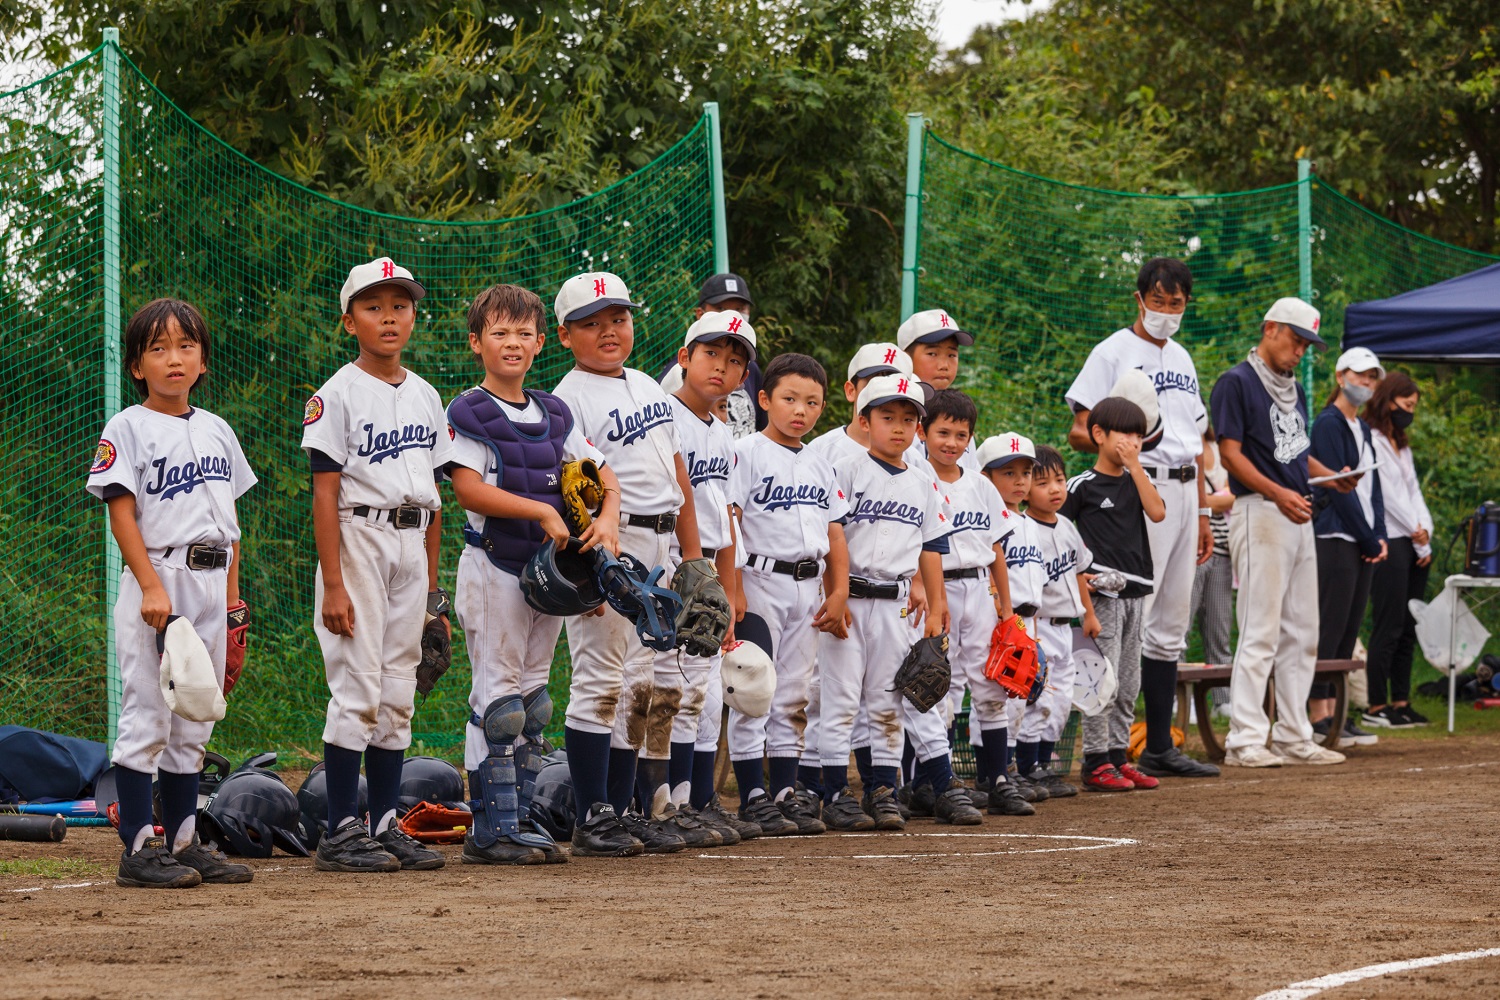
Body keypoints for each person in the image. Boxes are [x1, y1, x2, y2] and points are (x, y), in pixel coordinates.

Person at [445, 283, 620, 865]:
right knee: (498, 703)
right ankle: (489, 828)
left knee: (533, 703)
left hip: (546, 574)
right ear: (477, 343)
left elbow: (599, 473)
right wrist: (542, 510)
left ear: (542, 341)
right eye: (499, 332)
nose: (512, 343)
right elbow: (467, 487)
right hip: (493, 564)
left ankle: (517, 818)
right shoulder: (468, 409)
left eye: (523, 333)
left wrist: (608, 521)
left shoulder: (555, 413)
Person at [89, 299, 257, 889]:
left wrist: (234, 604)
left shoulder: (216, 429)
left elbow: (231, 524)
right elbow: (122, 513)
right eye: (157, 349)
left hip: (213, 581)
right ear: (137, 366)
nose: (173, 358)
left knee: (194, 721)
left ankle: (184, 843)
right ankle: (138, 850)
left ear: (202, 359)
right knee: (148, 718)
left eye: (185, 346)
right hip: (160, 579)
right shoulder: (127, 427)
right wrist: (151, 586)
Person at [301, 257, 455, 872]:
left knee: (398, 689)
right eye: (373, 306)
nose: (389, 316)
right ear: (349, 321)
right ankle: (341, 832)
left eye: (400, 305)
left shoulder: (424, 395)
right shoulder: (334, 395)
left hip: (412, 543)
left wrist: (433, 594)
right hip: (359, 538)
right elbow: (324, 493)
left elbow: (436, 498)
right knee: (358, 687)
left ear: (414, 314)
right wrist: (333, 583)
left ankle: (385, 823)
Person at [549, 270, 706, 857]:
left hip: (661, 543)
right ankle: (594, 816)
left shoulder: (646, 385)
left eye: (618, 318)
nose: (609, 331)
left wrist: (694, 560)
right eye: (592, 323)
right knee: (598, 680)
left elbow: (679, 476)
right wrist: (593, 564)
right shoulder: (566, 400)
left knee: (640, 683)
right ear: (565, 335)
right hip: (610, 546)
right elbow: (570, 488)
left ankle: (622, 808)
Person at [1064, 258, 1218, 779]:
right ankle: (1104, 751)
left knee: (1170, 622)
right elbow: (1081, 428)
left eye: (1176, 303)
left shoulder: (1183, 356)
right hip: (1135, 485)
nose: (1167, 311)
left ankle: (1156, 746)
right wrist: (1126, 454)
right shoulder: (1112, 351)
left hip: (1180, 487)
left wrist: (1201, 511)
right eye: (1159, 300)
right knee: (1129, 616)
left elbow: (1195, 445)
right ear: (1139, 297)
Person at [1209, 296, 1353, 767]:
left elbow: (1294, 452)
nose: (1301, 352)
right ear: (1271, 328)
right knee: (1260, 629)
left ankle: (1294, 734)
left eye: (1308, 346)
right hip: (1261, 510)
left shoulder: (1295, 387)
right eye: (1296, 340)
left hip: (1297, 511)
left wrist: (1331, 475)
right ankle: (1246, 739)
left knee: (1302, 631)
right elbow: (1230, 454)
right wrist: (1277, 493)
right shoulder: (1236, 382)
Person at [818, 375, 962, 829]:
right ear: (865, 421)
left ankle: (881, 791)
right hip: (852, 599)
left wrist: (936, 606)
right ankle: (836, 792)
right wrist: (833, 595)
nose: (898, 427)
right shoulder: (846, 468)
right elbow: (829, 537)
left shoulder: (922, 482)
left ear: (919, 428)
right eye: (887, 417)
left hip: (896, 604)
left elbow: (931, 547)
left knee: (887, 703)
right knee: (840, 701)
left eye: (908, 419)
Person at [727, 353, 849, 836]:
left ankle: (784, 790)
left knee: (794, 694)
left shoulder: (820, 462)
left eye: (812, 402)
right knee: (753, 688)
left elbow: (835, 532)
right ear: (764, 399)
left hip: (806, 584)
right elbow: (730, 520)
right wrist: (733, 586)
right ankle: (752, 794)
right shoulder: (746, 451)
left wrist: (838, 590)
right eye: (789, 399)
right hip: (758, 580)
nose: (801, 410)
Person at [656, 308, 756, 847]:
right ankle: (666, 800)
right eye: (711, 353)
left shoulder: (722, 433)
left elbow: (726, 517)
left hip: (708, 576)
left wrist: (730, 586)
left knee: (706, 694)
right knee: (672, 685)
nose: (722, 366)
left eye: (734, 361)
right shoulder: (664, 418)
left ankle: (697, 799)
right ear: (685, 358)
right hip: (672, 564)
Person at [911, 390, 1014, 815]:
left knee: (991, 685)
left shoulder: (981, 485)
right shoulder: (916, 477)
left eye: (961, 435)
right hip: (943, 591)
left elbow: (996, 550)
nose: (952, 442)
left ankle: (999, 778)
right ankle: (936, 782)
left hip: (979, 589)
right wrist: (932, 596)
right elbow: (915, 544)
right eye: (943, 432)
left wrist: (1006, 609)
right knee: (941, 687)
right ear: (924, 432)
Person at [1059, 401, 1162, 791]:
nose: (1132, 442)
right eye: (1124, 434)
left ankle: (1119, 757)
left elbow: (1157, 513)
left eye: (1138, 435)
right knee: (1101, 680)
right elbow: (1058, 533)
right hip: (1102, 597)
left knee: (1129, 681)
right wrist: (1078, 580)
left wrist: (1136, 468)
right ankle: (1095, 761)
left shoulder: (1139, 478)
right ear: (1098, 434)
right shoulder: (1081, 486)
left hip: (1137, 593)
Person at [1309, 346, 1387, 747]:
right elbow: (1338, 491)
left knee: (1349, 629)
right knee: (1330, 626)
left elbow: (1372, 488)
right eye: (1360, 375)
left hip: (1362, 538)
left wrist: (1380, 535)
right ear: (1340, 376)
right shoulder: (1328, 423)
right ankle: (1317, 714)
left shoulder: (1366, 430)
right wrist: (1367, 536)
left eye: (1372, 377)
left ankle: (1337, 715)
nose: (1366, 383)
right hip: (1335, 537)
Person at [972, 431, 1042, 816]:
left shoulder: (1032, 523)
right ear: (984, 476)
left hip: (1027, 618)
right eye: (1007, 473)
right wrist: (1002, 611)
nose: (1019, 481)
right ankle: (987, 775)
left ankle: (1005, 771)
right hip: (998, 616)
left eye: (1026, 473)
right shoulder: (984, 515)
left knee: (1016, 701)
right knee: (989, 693)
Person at [1362, 371, 1434, 729]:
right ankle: (1376, 705)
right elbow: (1387, 497)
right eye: (1407, 405)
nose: (1410, 412)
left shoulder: (1400, 444)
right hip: (1391, 539)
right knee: (1388, 625)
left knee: (1408, 625)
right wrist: (1415, 533)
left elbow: (1413, 490)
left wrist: (1426, 535)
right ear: (1389, 401)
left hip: (1415, 543)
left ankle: (1401, 701)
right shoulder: (1372, 439)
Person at [658, 273, 766, 439]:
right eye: (721, 308)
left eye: (739, 309)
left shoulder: (751, 368)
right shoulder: (678, 373)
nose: (731, 315)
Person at [898, 307, 980, 470]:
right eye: (933, 354)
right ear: (905, 357)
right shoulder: (895, 412)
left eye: (951, 355)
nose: (944, 365)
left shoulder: (959, 413)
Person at [1190, 430, 1235, 668]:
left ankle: (1222, 700)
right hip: (1191, 552)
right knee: (1180, 628)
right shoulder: (1182, 448)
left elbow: (1234, 494)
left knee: (1220, 629)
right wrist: (1218, 498)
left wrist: (1203, 500)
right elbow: (1189, 498)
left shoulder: (1219, 448)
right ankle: (1177, 697)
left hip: (1223, 550)